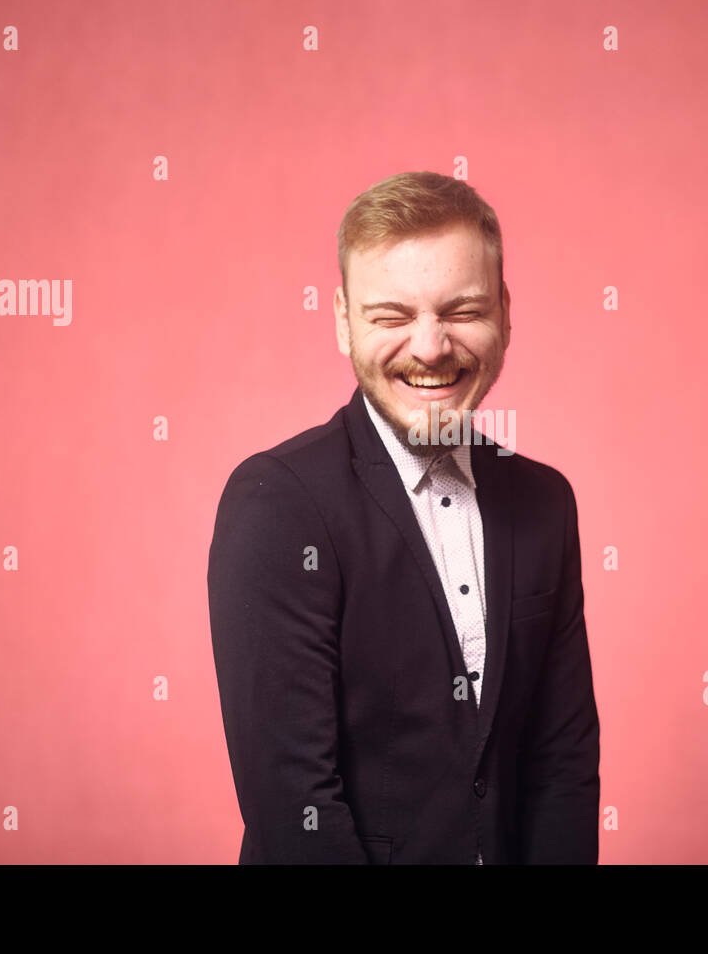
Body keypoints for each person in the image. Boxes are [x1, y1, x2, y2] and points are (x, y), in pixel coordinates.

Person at [207, 170, 600, 863]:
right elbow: (295, 802)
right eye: (392, 316)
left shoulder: (545, 503)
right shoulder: (276, 503)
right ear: (343, 321)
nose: (429, 348)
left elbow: (561, 764)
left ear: (505, 312)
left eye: (462, 310)